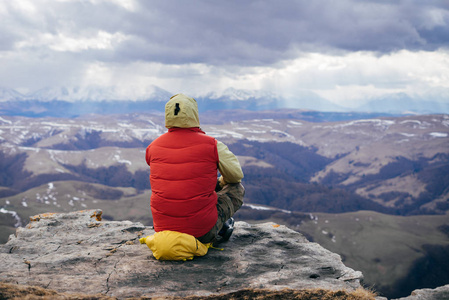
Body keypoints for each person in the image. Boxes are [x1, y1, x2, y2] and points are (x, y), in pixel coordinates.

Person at [145, 93, 244, 244]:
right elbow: (236, 176)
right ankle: (217, 228)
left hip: (162, 230)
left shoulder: (153, 146)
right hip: (200, 234)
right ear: (194, 114)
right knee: (236, 188)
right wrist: (222, 182)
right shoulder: (212, 145)